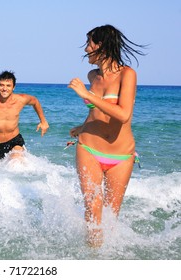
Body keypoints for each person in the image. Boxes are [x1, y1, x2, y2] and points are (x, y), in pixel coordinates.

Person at [67, 25, 145, 247]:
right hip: (89, 148)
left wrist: (84, 93)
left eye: (89, 43)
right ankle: (91, 256)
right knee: (92, 206)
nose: (86, 48)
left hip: (121, 156)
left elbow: (123, 113)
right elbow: (96, 111)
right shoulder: (93, 75)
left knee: (110, 217)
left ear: (100, 46)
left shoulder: (127, 74)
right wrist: (81, 127)